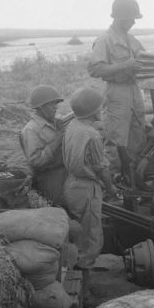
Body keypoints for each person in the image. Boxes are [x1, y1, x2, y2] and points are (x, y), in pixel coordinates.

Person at [87, 0, 146, 183]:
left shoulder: (132, 40)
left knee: (138, 132)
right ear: (120, 18)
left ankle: (135, 177)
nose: (133, 23)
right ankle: (115, 180)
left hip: (134, 90)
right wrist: (125, 66)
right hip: (117, 91)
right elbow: (94, 69)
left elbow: (144, 59)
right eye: (131, 19)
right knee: (116, 138)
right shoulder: (105, 40)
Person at [62, 87, 117, 269]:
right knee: (91, 239)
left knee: (79, 233)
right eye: (99, 108)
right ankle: (83, 284)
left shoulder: (72, 126)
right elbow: (102, 169)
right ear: (94, 111)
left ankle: (78, 271)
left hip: (71, 184)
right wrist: (111, 189)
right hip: (86, 189)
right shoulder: (92, 135)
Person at [20, 84, 68, 205]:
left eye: (56, 104)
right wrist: (57, 140)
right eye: (52, 104)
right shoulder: (31, 130)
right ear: (41, 107)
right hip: (48, 178)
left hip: (64, 171)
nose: (55, 108)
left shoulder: (54, 122)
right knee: (64, 205)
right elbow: (36, 161)